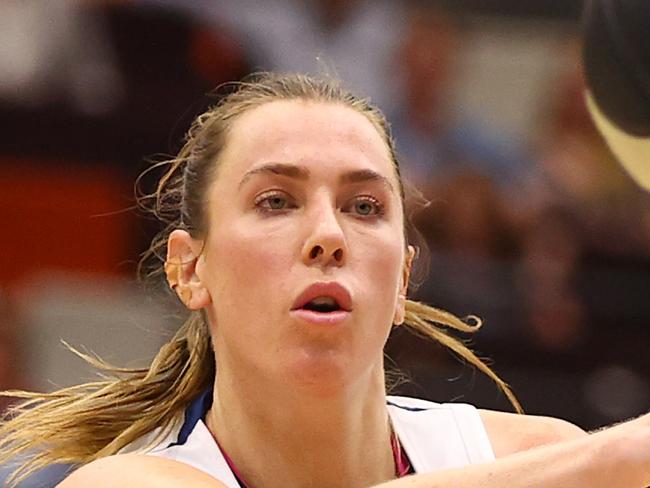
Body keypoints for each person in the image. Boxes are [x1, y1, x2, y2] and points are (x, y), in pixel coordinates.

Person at [1, 73, 650, 488]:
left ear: (402, 279)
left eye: (364, 206)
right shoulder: (125, 483)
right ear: (189, 268)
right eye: (276, 201)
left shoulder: (535, 454)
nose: (329, 235)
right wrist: (615, 458)